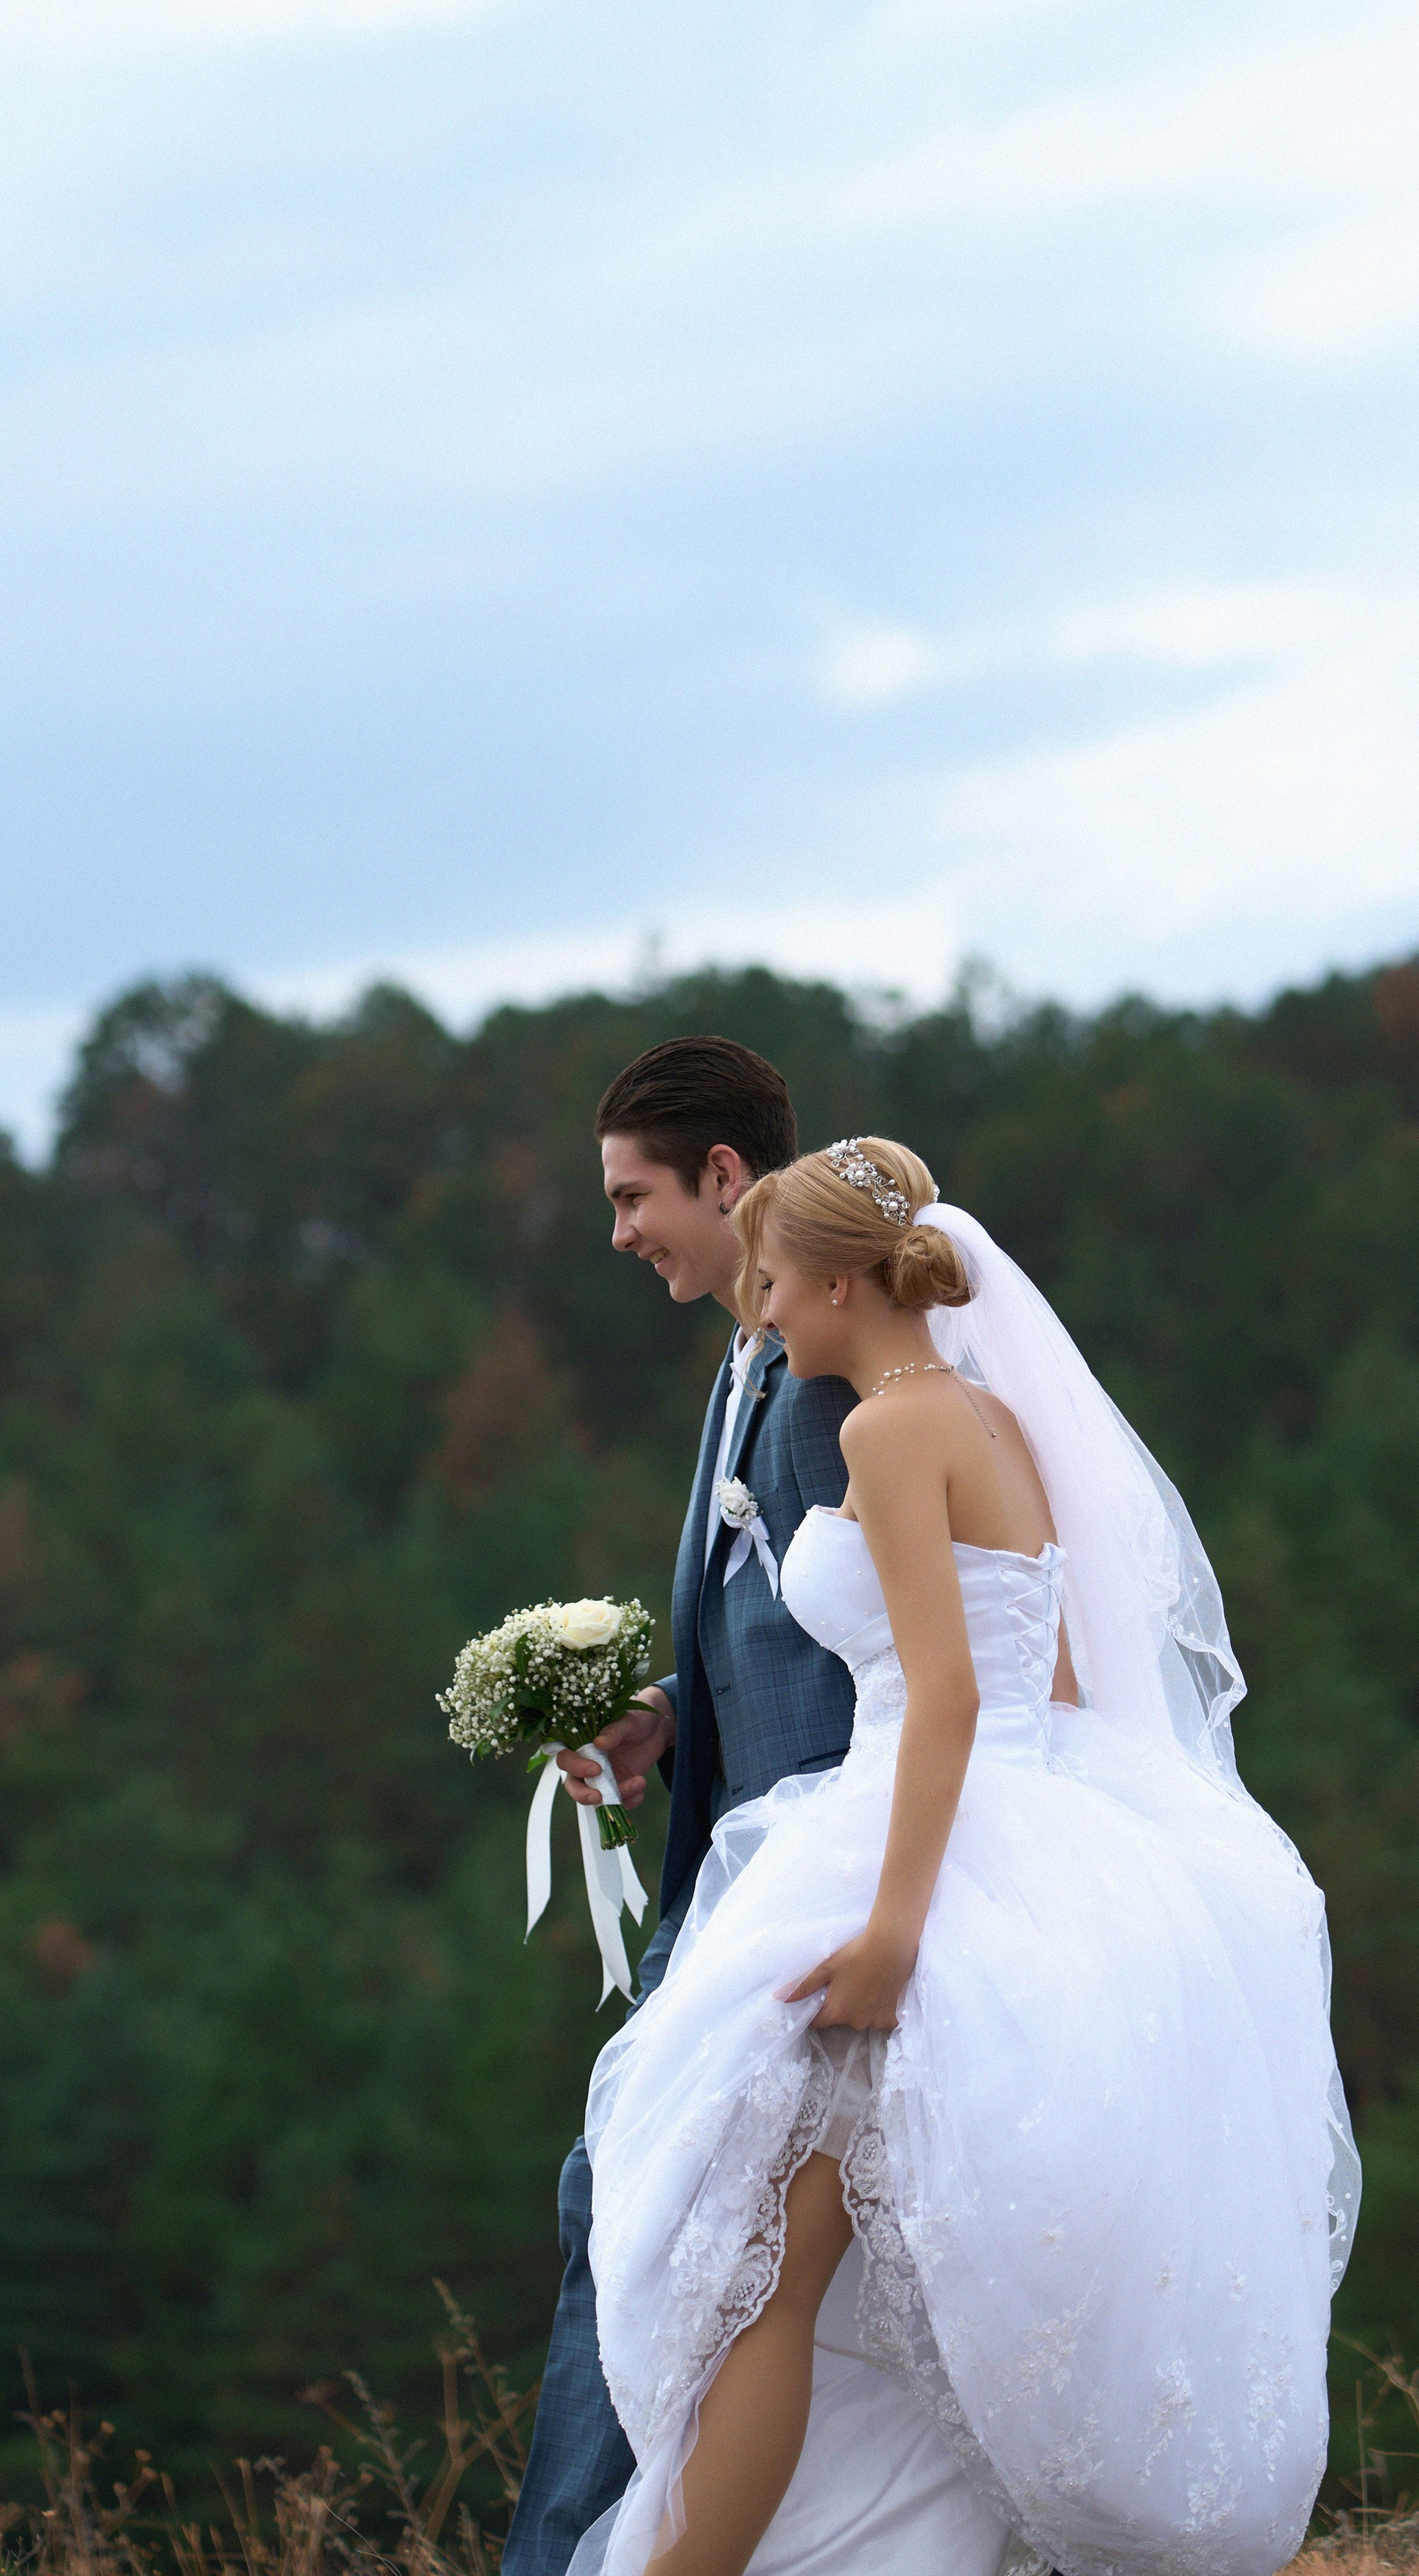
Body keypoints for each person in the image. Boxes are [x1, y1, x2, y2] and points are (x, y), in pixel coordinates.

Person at [569, 1137, 1363, 2576]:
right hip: (1021, 1824)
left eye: (772, 1282)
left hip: (919, 1850)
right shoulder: (994, 1422)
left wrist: (894, 1931)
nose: (761, 1311)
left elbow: (946, 1696)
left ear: (836, 1283)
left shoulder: (886, 1433)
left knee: (763, 2274)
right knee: (852, 2280)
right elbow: (1048, 1677)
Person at [505, 1045, 984, 2576]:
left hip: (810, 1881)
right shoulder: (750, 1363)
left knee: (636, 2209)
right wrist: (662, 1717)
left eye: (634, 1195)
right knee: (675, 2227)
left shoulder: (833, 1377)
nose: (620, 1231)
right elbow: (795, 1616)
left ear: (726, 1178)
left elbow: (909, 1650)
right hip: (745, 1857)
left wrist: (878, 1903)